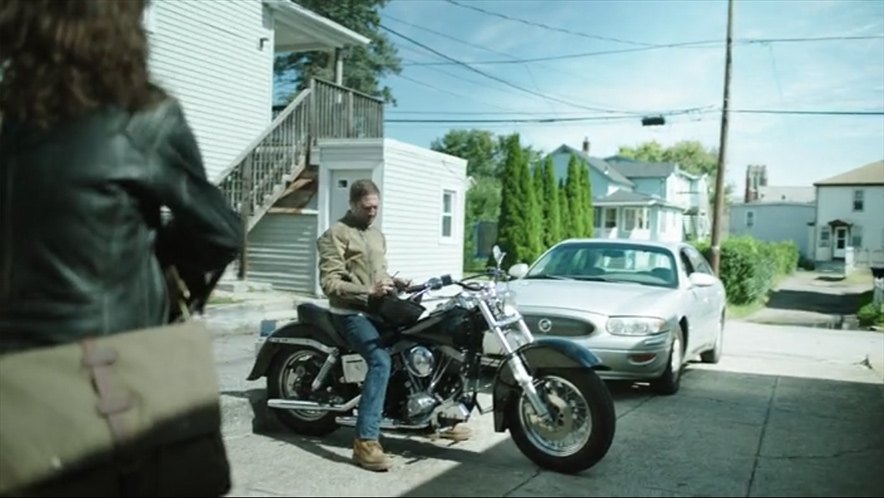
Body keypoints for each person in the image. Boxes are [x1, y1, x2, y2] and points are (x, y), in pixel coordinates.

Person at [0, 0, 241, 494]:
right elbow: (218, 230)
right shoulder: (138, 114)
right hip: (104, 385)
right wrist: (165, 280)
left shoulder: (11, 120)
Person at [316, 179, 470, 472]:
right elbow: (330, 283)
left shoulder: (376, 235)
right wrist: (366, 291)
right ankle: (365, 441)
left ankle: (438, 416)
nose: (373, 212)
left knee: (422, 341)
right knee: (380, 361)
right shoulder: (335, 234)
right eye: (367, 207)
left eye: (376, 207)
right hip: (350, 313)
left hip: (380, 309)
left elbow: (379, 270)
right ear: (352, 204)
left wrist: (396, 281)